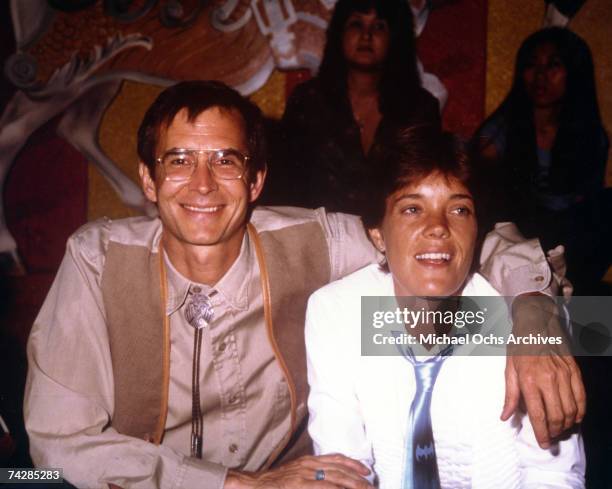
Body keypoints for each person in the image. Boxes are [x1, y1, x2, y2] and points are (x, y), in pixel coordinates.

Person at [25, 81, 583, 489]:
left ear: (256, 178)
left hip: (300, 485)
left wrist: (534, 314)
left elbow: (443, 240)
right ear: (147, 178)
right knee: (21, 478)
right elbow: (55, 448)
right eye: (179, 161)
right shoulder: (97, 261)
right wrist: (233, 485)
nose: (202, 184)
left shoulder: (311, 242)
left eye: (225, 159)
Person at [306, 125, 585, 488]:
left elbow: (554, 475)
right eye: (411, 208)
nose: (437, 227)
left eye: (458, 209)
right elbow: (341, 466)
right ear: (377, 233)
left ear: (477, 229)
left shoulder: (520, 325)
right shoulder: (334, 313)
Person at [474, 27, 610, 294]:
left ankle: (568, 289)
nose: (540, 75)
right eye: (531, 65)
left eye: (553, 65)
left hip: (566, 243)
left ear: (574, 72)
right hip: (518, 237)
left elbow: (586, 208)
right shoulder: (502, 129)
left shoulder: (589, 135)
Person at [277, 0, 439, 213]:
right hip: (316, 235)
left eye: (379, 26)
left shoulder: (420, 109)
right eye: (356, 24)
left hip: (391, 237)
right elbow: (286, 185)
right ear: (339, 35)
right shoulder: (307, 101)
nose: (366, 35)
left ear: (395, 38)